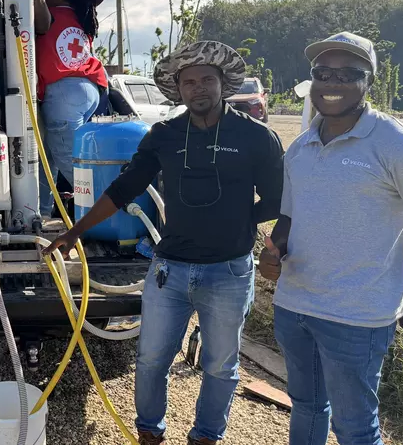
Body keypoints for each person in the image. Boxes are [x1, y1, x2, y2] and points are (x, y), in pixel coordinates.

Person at [46, 40, 285, 445]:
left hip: (229, 271)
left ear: (223, 83)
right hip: (168, 270)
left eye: (207, 79)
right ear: (178, 89)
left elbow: (281, 200)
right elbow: (123, 189)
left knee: (220, 366)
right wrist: (74, 231)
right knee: (152, 359)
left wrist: (265, 237)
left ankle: (206, 436)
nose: (198, 88)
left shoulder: (256, 137)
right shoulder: (164, 135)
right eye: (188, 82)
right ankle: (149, 434)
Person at [259, 32, 403, 445]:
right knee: (306, 405)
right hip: (295, 306)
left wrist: (397, 263)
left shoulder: (399, 145)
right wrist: (275, 251)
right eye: (323, 73)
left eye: (347, 74)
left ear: (367, 82)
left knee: (354, 426)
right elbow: (288, 214)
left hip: (357, 316)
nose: (332, 83)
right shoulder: (300, 147)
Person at [35, 0, 110, 217]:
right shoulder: (81, 18)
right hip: (89, 89)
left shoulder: (49, 15)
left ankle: (107, 213)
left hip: (63, 93)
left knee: (72, 165)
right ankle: (42, 214)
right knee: (50, 158)